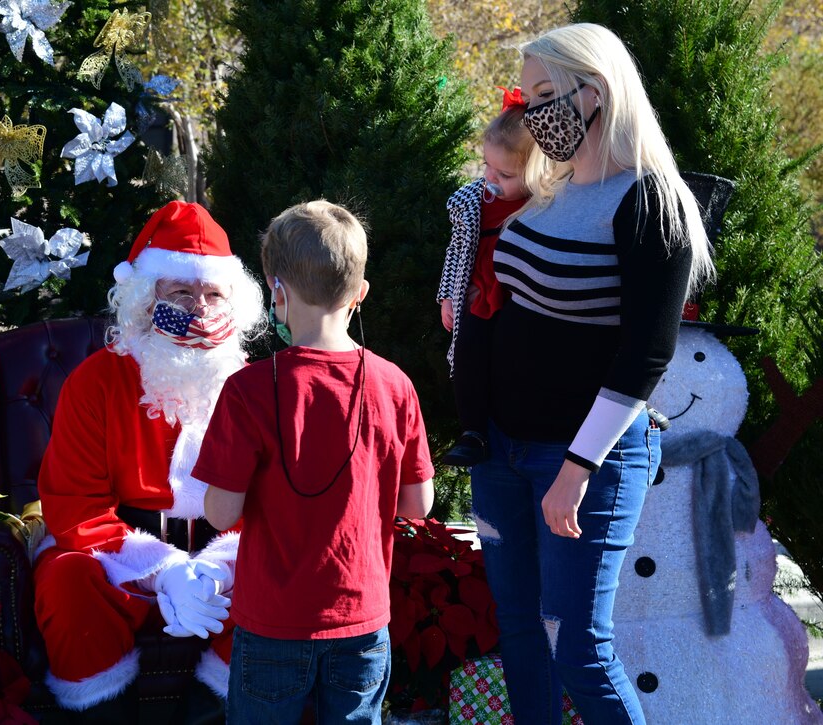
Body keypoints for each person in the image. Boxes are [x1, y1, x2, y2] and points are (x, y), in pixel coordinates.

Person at [470, 23, 715, 724]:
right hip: (503, 450)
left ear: (597, 92)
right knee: (520, 636)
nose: (533, 111)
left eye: (547, 94)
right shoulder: (545, 189)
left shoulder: (651, 201)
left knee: (578, 649)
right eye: (528, 93)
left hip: (582, 460)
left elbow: (645, 352)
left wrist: (576, 469)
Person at [194, 200, 436, 725]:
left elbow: (219, 513)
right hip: (362, 620)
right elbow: (418, 505)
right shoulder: (395, 385)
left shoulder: (247, 390)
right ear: (360, 294)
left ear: (276, 291)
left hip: (272, 623)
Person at [32, 200, 266, 711]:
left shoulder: (255, 385)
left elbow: (272, 504)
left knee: (278, 571)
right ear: (145, 297)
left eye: (212, 294)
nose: (199, 310)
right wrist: (165, 571)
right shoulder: (95, 381)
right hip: (118, 556)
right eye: (180, 292)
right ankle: (98, 713)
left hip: (223, 559)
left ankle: (217, 711)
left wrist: (217, 569)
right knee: (66, 581)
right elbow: (76, 508)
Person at [438, 87, 536, 467]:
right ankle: (472, 432)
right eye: (487, 167)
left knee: (512, 357)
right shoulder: (474, 203)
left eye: (505, 174)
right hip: (478, 294)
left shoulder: (545, 207)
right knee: (468, 355)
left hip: (519, 296)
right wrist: (448, 295)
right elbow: (455, 252)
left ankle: (515, 421)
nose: (492, 179)